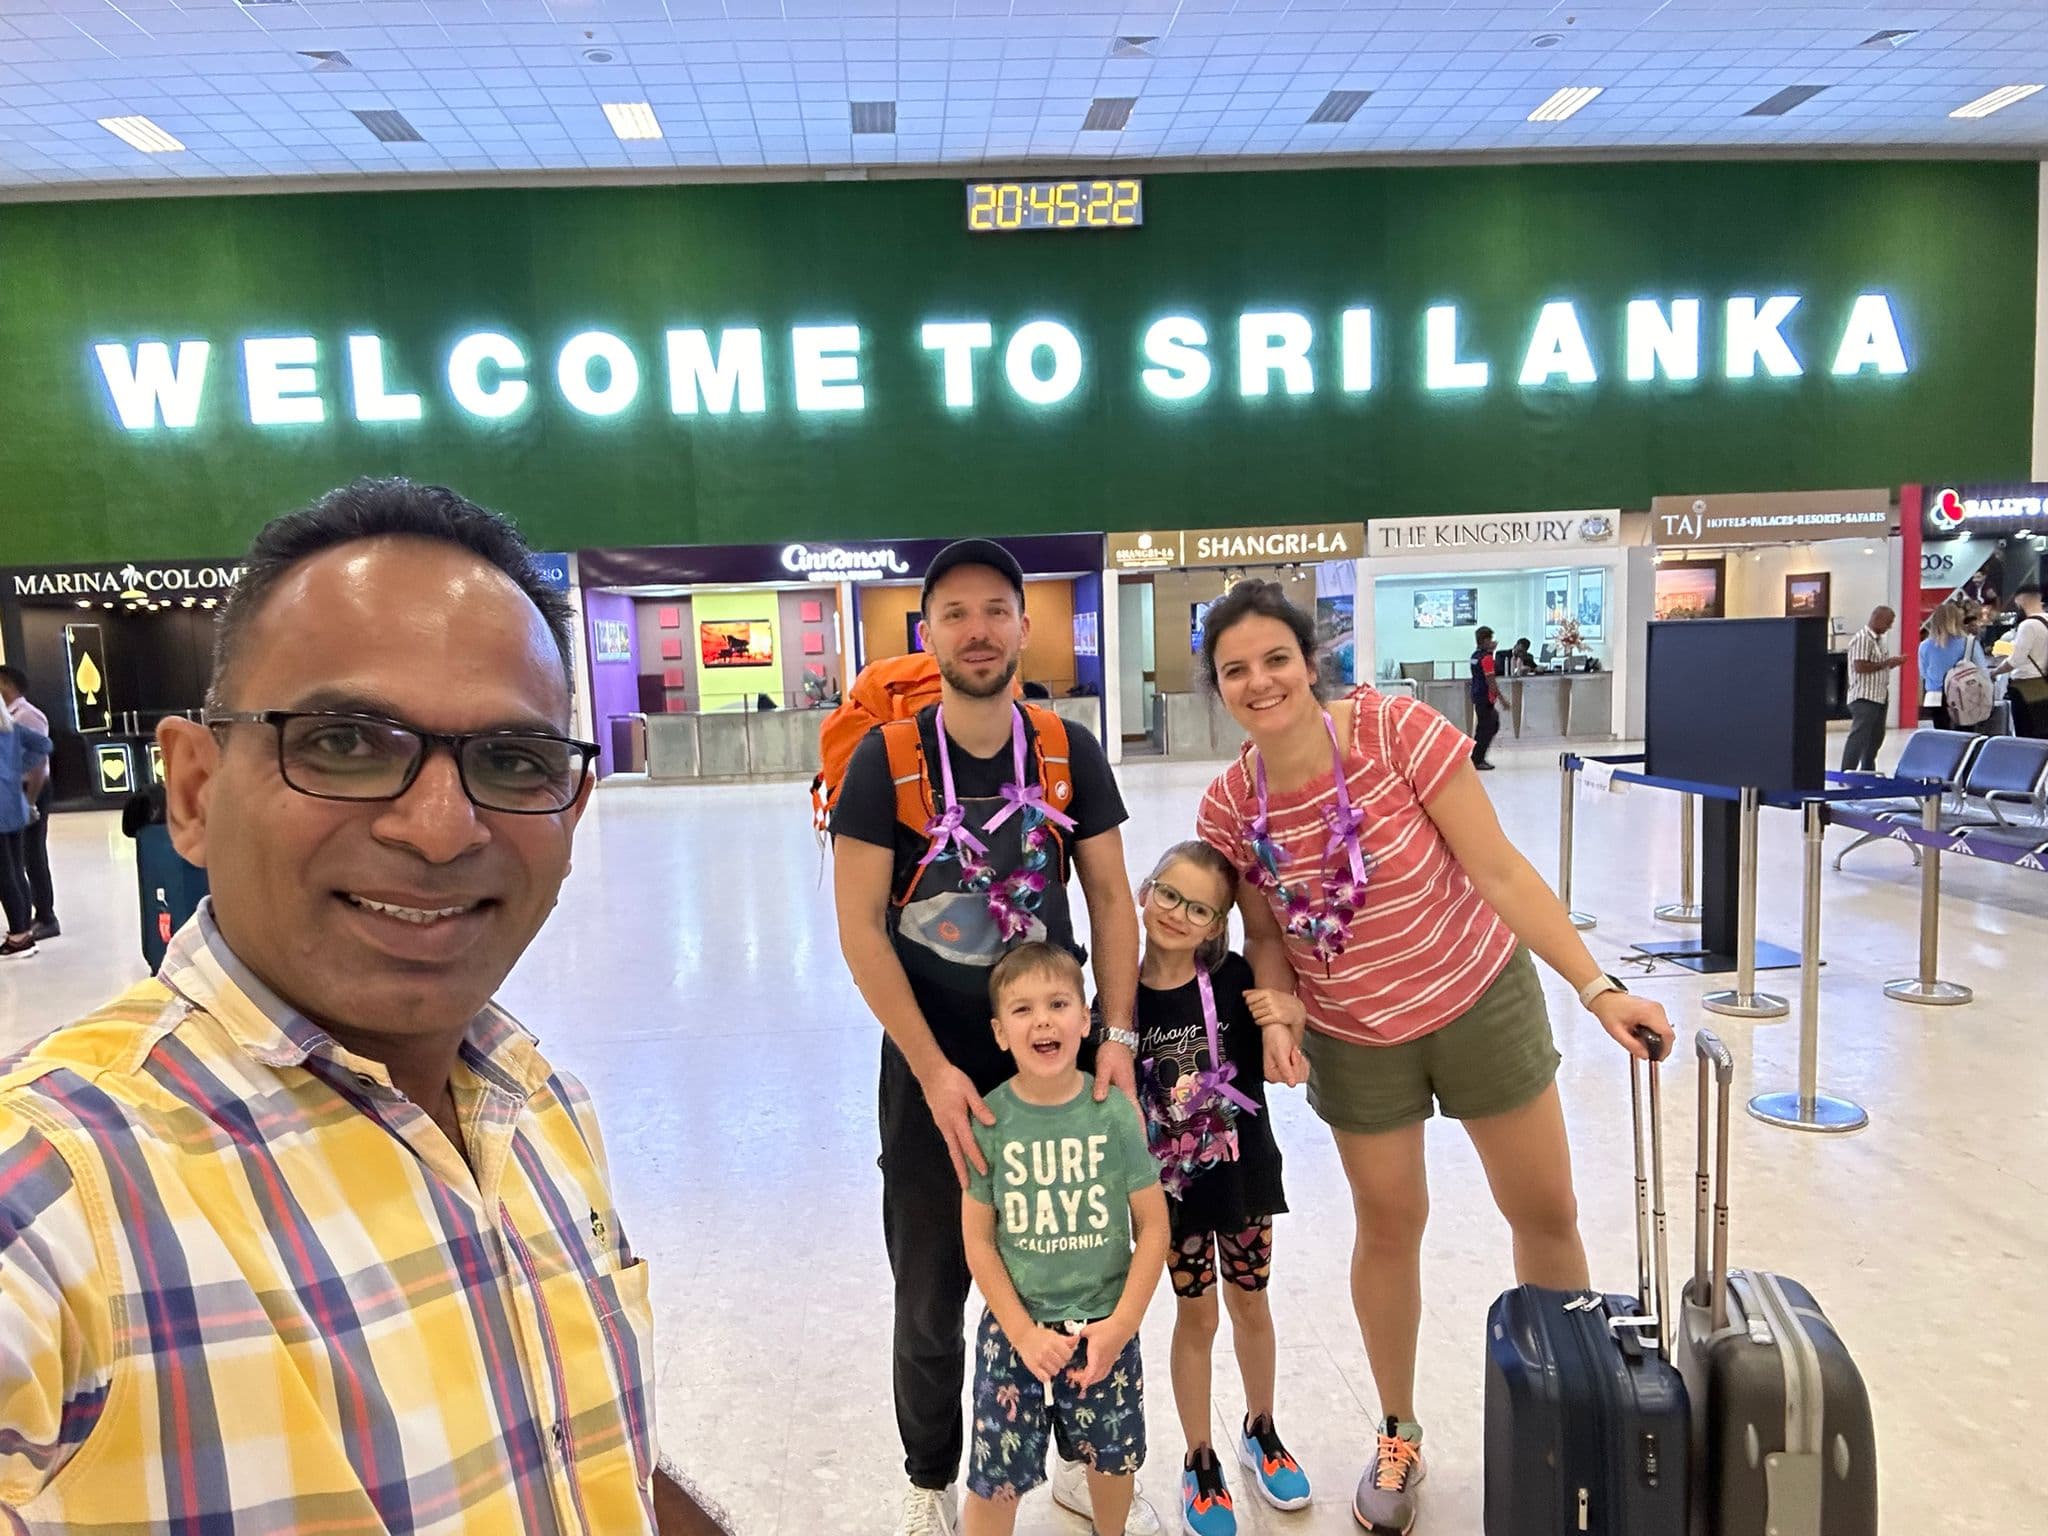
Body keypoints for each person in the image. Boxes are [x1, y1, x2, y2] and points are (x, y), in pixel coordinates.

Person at [0, 479, 730, 1534]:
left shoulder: (536, 1107)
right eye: (345, 742)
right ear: (195, 791)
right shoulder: (57, 1193)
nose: (439, 829)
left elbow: (559, 1451)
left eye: (512, 760)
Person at [1191, 580, 1674, 1535]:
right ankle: (1399, 1432)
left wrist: (1597, 986)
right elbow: (1268, 934)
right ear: (1217, 687)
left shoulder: (1393, 732)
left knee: (1543, 1209)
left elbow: (1497, 867)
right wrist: (1280, 1012)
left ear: (1310, 660)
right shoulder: (1229, 807)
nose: (1260, 682)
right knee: (1389, 1223)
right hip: (1356, 1035)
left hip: (1477, 996)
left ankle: (1564, 1408)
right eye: (1234, 670)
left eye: (1275, 659)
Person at [832, 538, 1150, 1536]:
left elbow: (1106, 896)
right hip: (932, 1067)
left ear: (1023, 625)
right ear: (926, 636)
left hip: (1054, 1062)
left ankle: (1077, 1456)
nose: (976, 631)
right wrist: (929, 1070)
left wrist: (1117, 1036)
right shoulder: (884, 762)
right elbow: (857, 928)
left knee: (1071, 1262)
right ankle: (930, 1478)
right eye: (954, 614)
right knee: (930, 1289)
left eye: (994, 611)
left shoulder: (1065, 750)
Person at [959, 942, 1169, 1536]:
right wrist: (1022, 1331)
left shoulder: (1114, 1115)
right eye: (1022, 1010)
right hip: (1013, 1332)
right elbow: (979, 1241)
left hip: (1104, 1327)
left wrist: (1123, 1324)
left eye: (1057, 1003)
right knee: (995, 1476)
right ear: (1000, 1033)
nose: (1043, 1019)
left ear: (1085, 1020)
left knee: (1112, 1458)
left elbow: (1153, 1226)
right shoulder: (990, 1121)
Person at [1134, 841, 1309, 1536]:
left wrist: (1288, 1019)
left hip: (1243, 1180)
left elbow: (1290, 1039)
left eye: (1198, 907)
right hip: (1170, 1195)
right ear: (1145, 892)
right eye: (1167, 894)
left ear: (1218, 924)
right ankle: (1199, 1459)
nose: (1177, 913)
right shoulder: (1120, 992)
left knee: (1252, 1304)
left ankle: (1261, 1429)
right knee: (1196, 1318)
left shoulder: (1236, 980)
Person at [0, 666, 57, 940]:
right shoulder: (9, 716)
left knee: (33, 855)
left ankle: (45, 917)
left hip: (31, 790)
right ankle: (29, 918)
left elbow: (40, 762)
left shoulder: (25, 716)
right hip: (16, 791)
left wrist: (30, 801)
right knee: (19, 859)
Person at [1842, 605, 1904, 772]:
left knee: (1875, 738)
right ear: (1876, 619)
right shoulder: (1863, 639)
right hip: (1865, 697)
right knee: (1859, 737)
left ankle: (1867, 771)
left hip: (1879, 696)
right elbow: (1860, 666)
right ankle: (1847, 772)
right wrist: (1885, 663)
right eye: (1888, 623)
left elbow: (1877, 666)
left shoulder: (1878, 640)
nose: (1890, 627)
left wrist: (1890, 663)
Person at [1917, 599, 1992, 732]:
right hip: (1965, 694)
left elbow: (1923, 673)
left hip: (1935, 696)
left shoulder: (1924, 646)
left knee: (1942, 734)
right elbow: (1982, 671)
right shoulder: (1969, 643)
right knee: (1965, 735)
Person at [1994, 583, 2048, 737]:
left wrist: (1995, 672)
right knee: (2043, 731)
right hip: (2044, 682)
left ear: (2021, 601)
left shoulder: (2028, 625)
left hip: (2026, 684)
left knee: (2026, 733)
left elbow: (2015, 660)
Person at [1467, 626, 1501, 771]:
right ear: (1485, 640)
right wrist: (1503, 699)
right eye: (1490, 639)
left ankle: (1476, 757)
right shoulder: (1486, 658)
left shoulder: (1475, 656)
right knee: (1487, 728)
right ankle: (1477, 759)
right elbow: (1491, 681)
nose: (1493, 642)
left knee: (1487, 726)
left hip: (1477, 696)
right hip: (1485, 697)